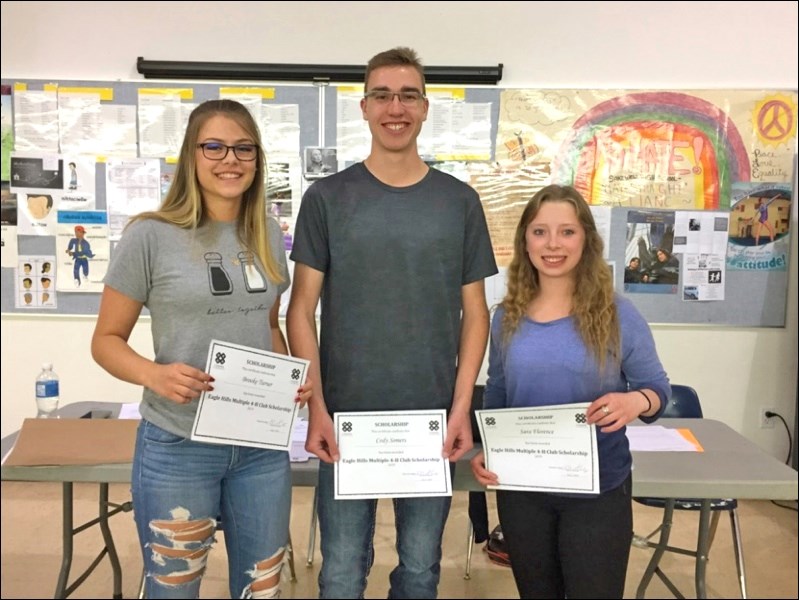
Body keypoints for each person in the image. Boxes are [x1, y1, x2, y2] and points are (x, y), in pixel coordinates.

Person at [287, 46, 498, 599]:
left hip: (430, 424)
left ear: (426, 107)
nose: (395, 107)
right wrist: (316, 409)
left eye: (408, 95)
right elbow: (300, 310)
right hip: (345, 422)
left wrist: (460, 408)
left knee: (422, 569)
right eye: (382, 95)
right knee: (339, 571)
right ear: (363, 107)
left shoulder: (458, 202)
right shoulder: (327, 198)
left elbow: (475, 315)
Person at [91, 99, 311, 599]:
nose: (229, 159)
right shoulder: (149, 236)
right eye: (213, 146)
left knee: (263, 588)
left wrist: (289, 377)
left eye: (243, 148)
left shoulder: (268, 235)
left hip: (259, 445)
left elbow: (268, 326)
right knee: (175, 589)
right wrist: (155, 375)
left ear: (257, 160)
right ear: (190, 156)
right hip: (178, 445)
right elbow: (105, 341)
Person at [470, 184, 670, 599]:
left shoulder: (618, 314)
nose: (553, 244)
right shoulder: (506, 317)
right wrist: (490, 446)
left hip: (597, 492)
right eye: (540, 232)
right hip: (523, 491)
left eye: (567, 231)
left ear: (586, 240)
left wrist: (635, 401)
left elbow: (657, 390)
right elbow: (499, 391)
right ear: (525, 240)